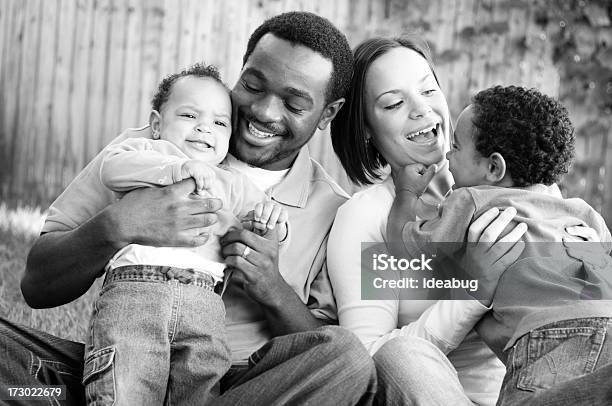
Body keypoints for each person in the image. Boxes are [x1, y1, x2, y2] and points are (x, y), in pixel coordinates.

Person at [3, 12, 377, 405]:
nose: (265, 112)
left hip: (246, 388)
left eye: (295, 103)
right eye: (252, 85)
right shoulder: (150, 149)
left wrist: (273, 287)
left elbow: (321, 348)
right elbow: (37, 284)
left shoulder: (336, 211)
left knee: (348, 360)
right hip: (123, 363)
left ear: (328, 114)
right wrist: (116, 225)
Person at [328, 36, 528, 406]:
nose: (422, 110)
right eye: (394, 103)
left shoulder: (512, 185)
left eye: (428, 90)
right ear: (367, 129)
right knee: (400, 356)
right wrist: (472, 291)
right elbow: (371, 360)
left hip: (535, 392)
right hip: (442, 396)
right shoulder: (369, 215)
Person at [388, 85, 612, 406]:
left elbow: (404, 248)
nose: (448, 155)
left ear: (494, 168)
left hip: (551, 342)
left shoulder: (472, 201)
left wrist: (406, 192)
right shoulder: (582, 212)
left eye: (456, 146)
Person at [87, 62, 291, 405]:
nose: (204, 129)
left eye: (219, 122)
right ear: (156, 124)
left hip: (203, 301)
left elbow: (263, 214)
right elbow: (112, 170)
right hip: (136, 291)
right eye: (189, 116)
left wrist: (274, 220)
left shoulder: (231, 183)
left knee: (201, 381)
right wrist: (177, 168)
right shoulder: (148, 154)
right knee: (125, 379)